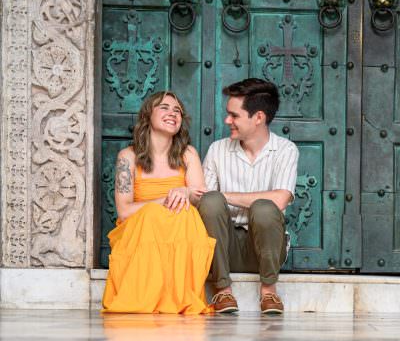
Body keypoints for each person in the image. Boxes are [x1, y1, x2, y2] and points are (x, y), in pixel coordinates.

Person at [102, 91, 216, 315]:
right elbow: (124, 211)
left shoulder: (188, 154)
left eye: (177, 111)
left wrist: (185, 191)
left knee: (187, 214)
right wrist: (164, 200)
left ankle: (178, 298)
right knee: (153, 214)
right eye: (164, 107)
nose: (172, 113)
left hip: (177, 228)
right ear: (148, 115)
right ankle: (147, 295)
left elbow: (199, 196)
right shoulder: (128, 157)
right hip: (139, 230)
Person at [196, 78, 298, 315]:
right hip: (224, 248)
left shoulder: (286, 150)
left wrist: (224, 195)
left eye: (234, 115)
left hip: (265, 249)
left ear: (258, 117)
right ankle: (223, 290)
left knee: (264, 207)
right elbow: (205, 200)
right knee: (210, 201)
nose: (227, 121)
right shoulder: (217, 149)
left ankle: (269, 291)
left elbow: (280, 199)